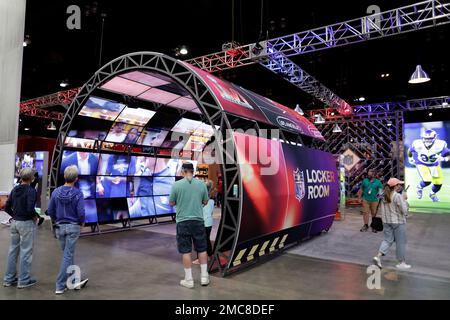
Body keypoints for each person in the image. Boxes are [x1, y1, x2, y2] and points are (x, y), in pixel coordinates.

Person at [47, 165, 89, 295]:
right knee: (68, 255)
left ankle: (74, 281)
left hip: (60, 227)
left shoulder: (55, 192)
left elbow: (51, 210)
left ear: (64, 176)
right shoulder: (78, 193)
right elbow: (81, 212)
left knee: (67, 254)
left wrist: (55, 220)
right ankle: (60, 285)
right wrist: (82, 221)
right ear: (76, 179)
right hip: (73, 227)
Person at [169, 162, 209, 289]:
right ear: (194, 171)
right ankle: (204, 277)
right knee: (202, 249)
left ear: (182, 171)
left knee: (186, 251)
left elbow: (171, 202)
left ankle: (189, 279)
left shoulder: (176, 185)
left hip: (182, 222)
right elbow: (205, 201)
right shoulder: (201, 184)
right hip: (198, 221)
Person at [3, 168, 38, 289]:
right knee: (26, 252)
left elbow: (6, 207)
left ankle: (9, 279)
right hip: (26, 223)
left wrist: (15, 216)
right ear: (31, 178)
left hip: (15, 223)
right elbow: (29, 209)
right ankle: (23, 280)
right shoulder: (31, 191)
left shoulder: (15, 189)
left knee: (13, 251)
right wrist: (35, 216)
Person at [373, 178, 411, 270]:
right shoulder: (397, 196)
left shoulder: (382, 194)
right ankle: (401, 262)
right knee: (400, 242)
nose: (400, 186)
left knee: (387, 240)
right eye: (399, 185)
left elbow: (378, 196)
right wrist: (405, 200)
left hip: (386, 221)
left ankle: (378, 256)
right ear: (395, 186)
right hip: (398, 222)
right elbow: (404, 210)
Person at [408, 129, 450, 202]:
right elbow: (410, 150)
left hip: (434, 164)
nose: (427, 140)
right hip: (421, 163)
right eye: (426, 138)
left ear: (435, 137)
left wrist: (444, 159)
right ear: (422, 137)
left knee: (438, 183)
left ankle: (432, 194)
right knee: (427, 180)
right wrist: (410, 158)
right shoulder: (418, 143)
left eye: (430, 138)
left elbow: (448, 155)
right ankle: (419, 188)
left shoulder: (440, 144)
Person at [193, 180, 215, 264]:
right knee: (206, 240)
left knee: (199, 241)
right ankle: (209, 256)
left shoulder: (201, 200)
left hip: (202, 223)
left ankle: (200, 259)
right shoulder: (211, 201)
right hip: (209, 223)